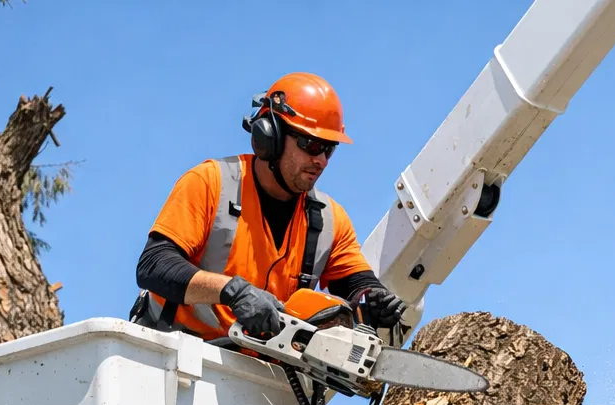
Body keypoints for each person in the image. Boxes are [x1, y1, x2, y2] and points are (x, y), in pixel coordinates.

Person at [132, 72, 408, 340]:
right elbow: (154, 265)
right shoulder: (210, 182)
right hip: (175, 355)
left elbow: (354, 284)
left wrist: (372, 297)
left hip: (259, 374)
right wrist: (231, 290)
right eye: (311, 144)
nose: (321, 161)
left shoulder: (329, 219)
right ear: (269, 138)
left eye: (329, 149)